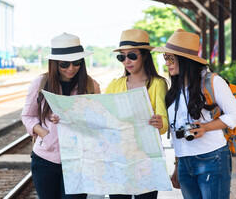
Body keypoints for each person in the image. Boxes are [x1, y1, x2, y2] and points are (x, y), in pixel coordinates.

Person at [152, 29, 236, 199]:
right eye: (165, 58)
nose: (167, 63)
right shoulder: (175, 89)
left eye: (171, 58)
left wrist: (205, 127)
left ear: (185, 60)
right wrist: (178, 164)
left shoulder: (212, 81)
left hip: (212, 158)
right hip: (184, 163)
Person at [21, 32, 100, 199]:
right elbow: (27, 116)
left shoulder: (91, 86)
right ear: (55, 64)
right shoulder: (40, 83)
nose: (71, 68)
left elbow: (97, 122)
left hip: (79, 160)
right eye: (64, 64)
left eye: (76, 63)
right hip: (45, 159)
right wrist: (44, 132)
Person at [105, 29, 169, 199]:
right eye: (122, 57)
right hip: (118, 158)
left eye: (132, 55)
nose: (126, 61)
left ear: (145, 55)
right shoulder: (114, 85)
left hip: (147, 158)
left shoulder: (158, 84)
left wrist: (160, 122)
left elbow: (164, 122)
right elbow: (104, 118)